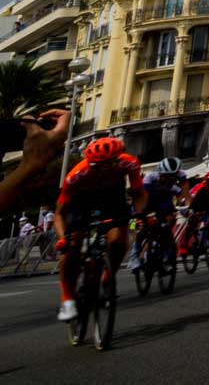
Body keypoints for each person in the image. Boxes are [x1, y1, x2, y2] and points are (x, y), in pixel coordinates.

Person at [53, 137, 144, 322]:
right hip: (81, 202)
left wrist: (139, 216)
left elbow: (138, 193)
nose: (102, 169)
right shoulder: (76, 174)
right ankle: (67, 299)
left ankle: (107, 277)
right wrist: (62, 239)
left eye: (108, 164)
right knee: (72, 245)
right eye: (97, 165)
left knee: (118, 240)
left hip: (113, 200)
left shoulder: (130, 163)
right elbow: (58, 214)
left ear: (118, 159)